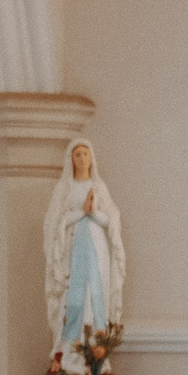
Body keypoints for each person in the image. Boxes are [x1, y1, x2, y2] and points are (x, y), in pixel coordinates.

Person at [43, 138, 125, 355]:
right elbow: (53, 222)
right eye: (77, 154)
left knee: (96, 295)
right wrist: (81, 211)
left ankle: (96, 353)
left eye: (85, 154)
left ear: (92, 158)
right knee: (75, 299)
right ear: (70, 159)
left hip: (97, 250)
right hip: (74, 250)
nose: (82, 158)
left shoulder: (98, 187)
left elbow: (111, 221)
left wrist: (93, 213)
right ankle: (69, 351)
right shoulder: (65, 188)